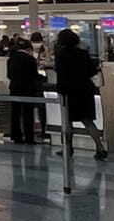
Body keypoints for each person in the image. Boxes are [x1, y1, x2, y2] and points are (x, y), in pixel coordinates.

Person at [53, 28, 108, 159]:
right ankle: (100, 146)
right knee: (88, 121)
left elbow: (58, 70)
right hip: (84, 90)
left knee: (67, 121)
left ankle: (68, 148)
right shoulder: (83, 53)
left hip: (67, 92)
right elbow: (92, 71)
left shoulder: (60, 54)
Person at [6, 35, 44, 143]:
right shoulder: (30, 59)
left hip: (14, 88)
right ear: (28, 49)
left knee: (15, 113)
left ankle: (16, 136)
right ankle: (29, 137)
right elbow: (34, 75)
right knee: (28, 114)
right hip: (28, 89)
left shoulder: (11, 59)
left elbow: (9, 75)